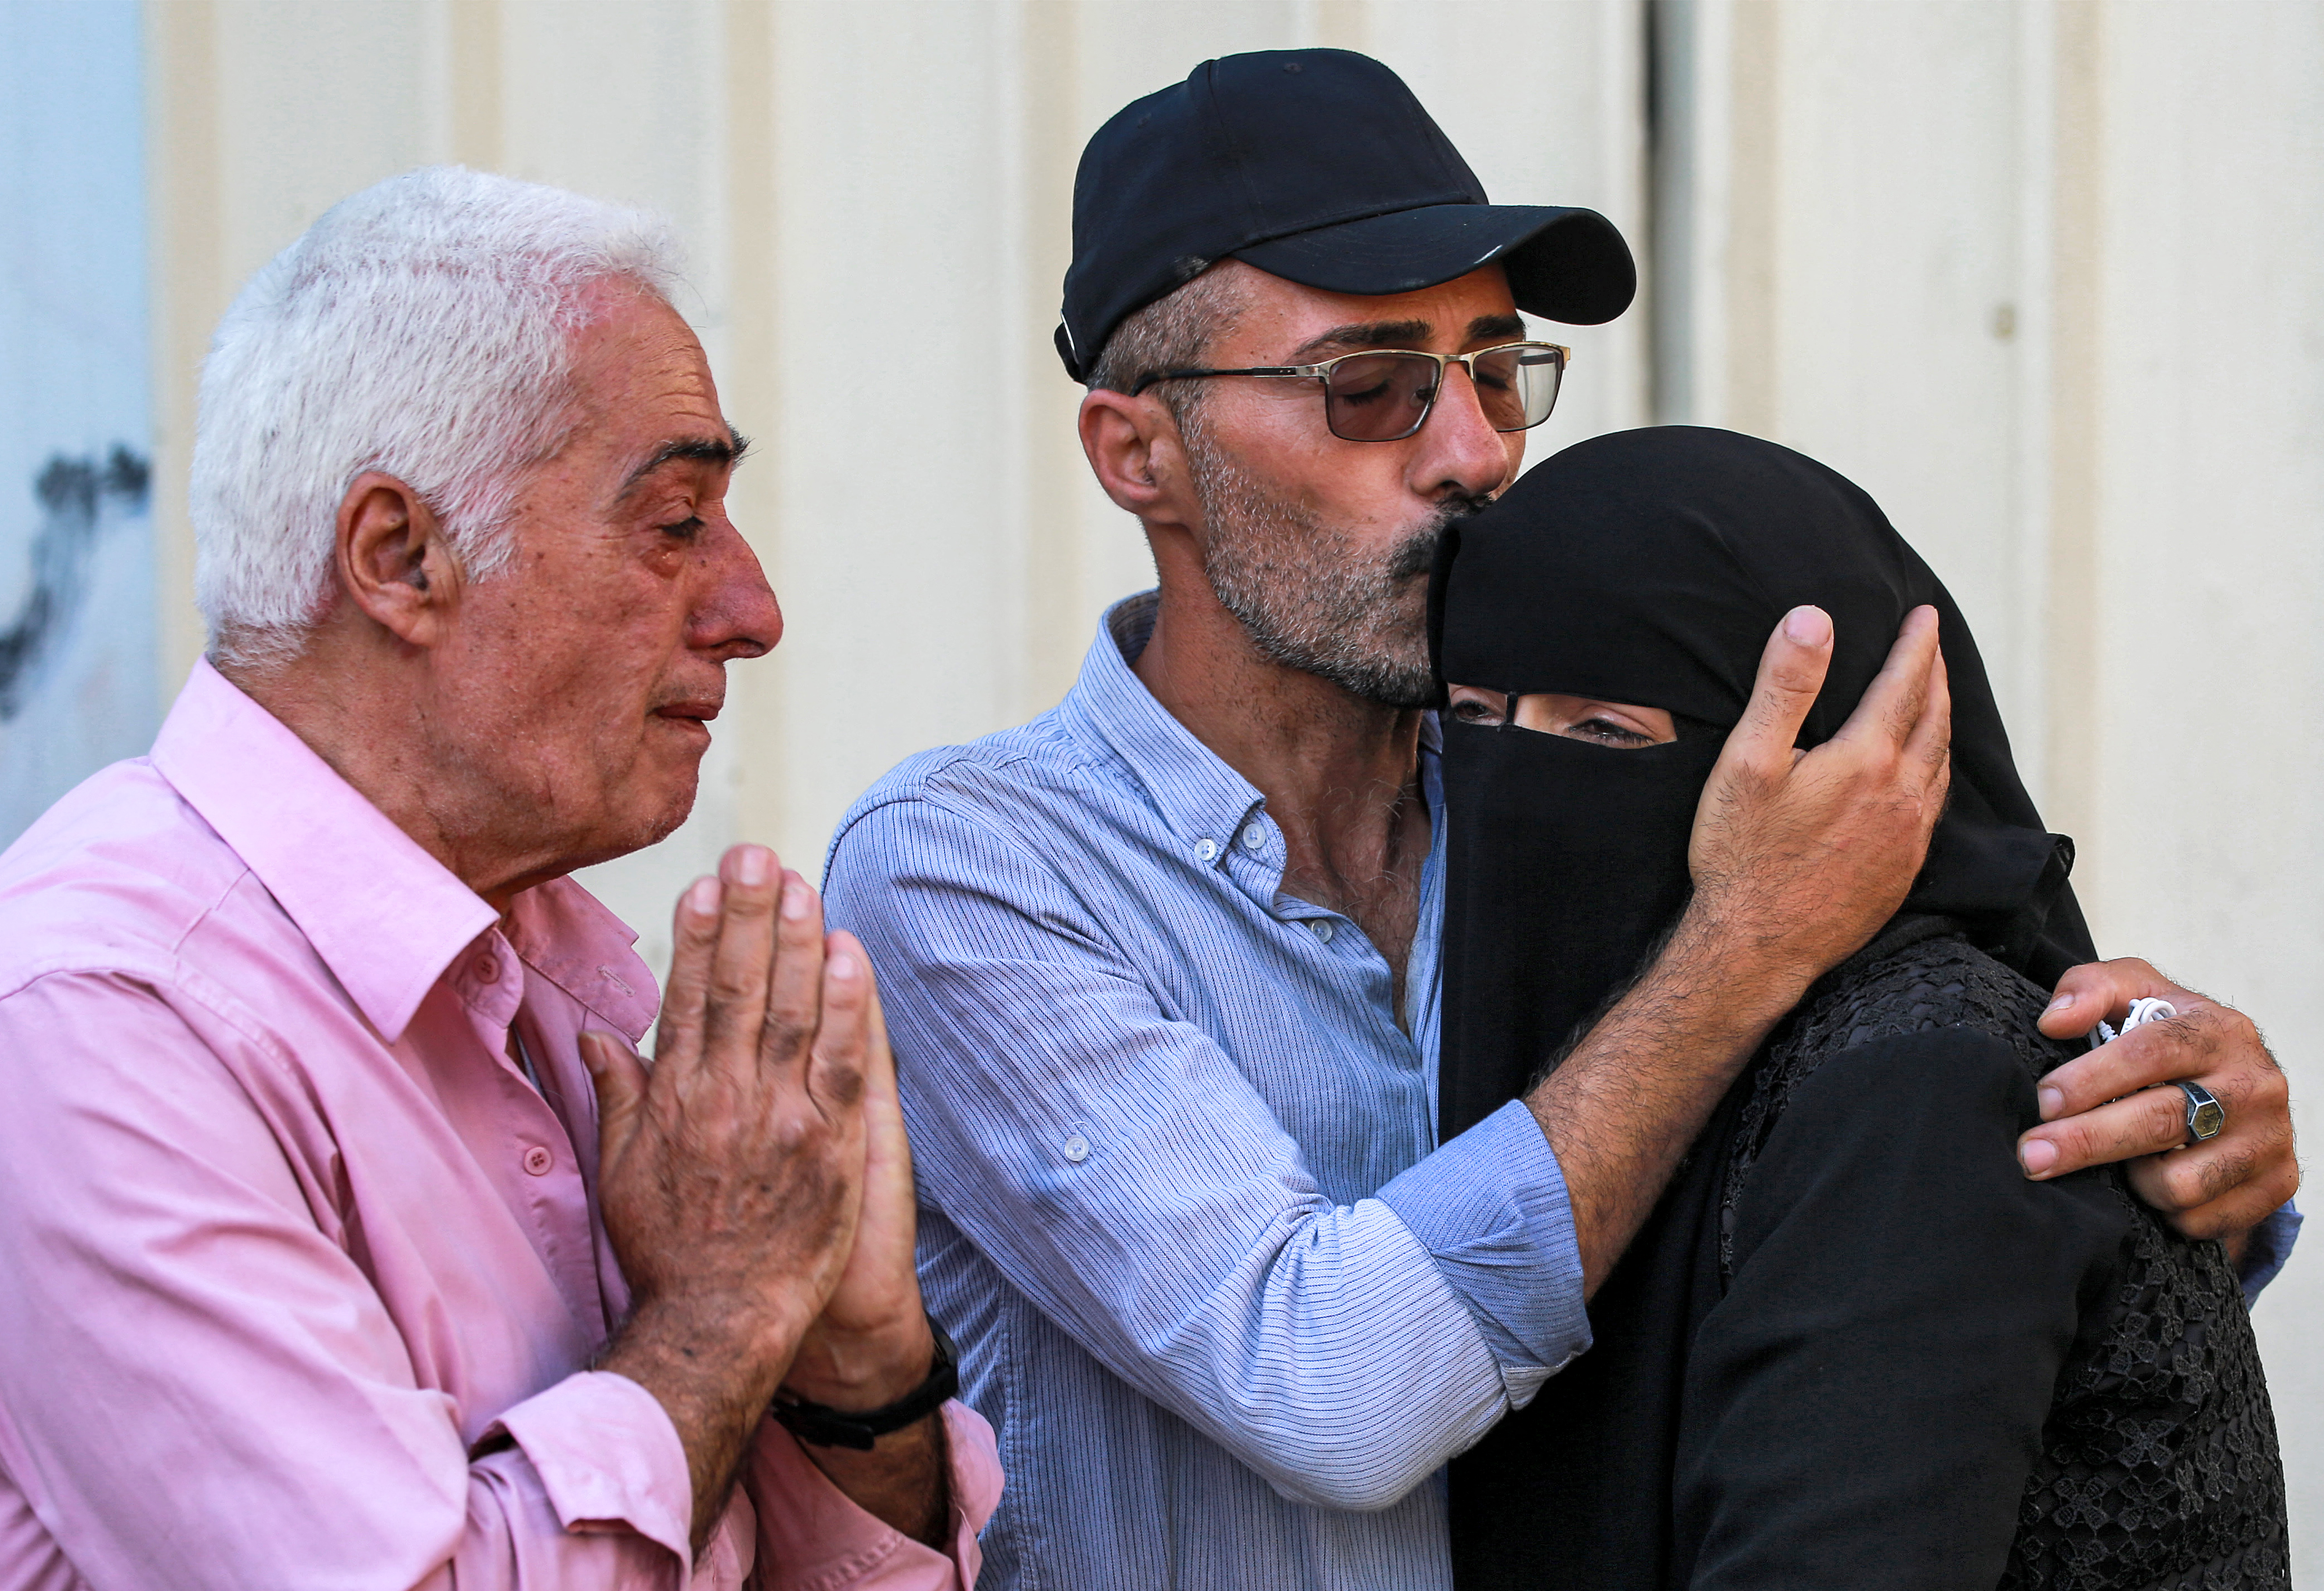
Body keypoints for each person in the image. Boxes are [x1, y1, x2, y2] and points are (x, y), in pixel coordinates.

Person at [821, 48, 2298, 1590]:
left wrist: (2162, 1145)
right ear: (1140, 454)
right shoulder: (972, 869)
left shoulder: (1589, 790)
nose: (1475, 454)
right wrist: (1740, 950)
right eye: (1371, 387)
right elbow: (1328, 1382)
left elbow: (1851, 1235)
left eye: (1496, 369)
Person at [0, 168, 999, 1589]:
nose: (753, 613)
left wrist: (853, 1373)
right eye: (675, 522)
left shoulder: (538, 966)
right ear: (401, 557)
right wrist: (727, 1313)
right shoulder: (91, 1020)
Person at [1433, 426, 2290, 1591]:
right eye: (1472, 719)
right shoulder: (1587, 1058)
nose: (1514, 780)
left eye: (1604, 732)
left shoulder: (1925, 1083)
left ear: (1843, 752)